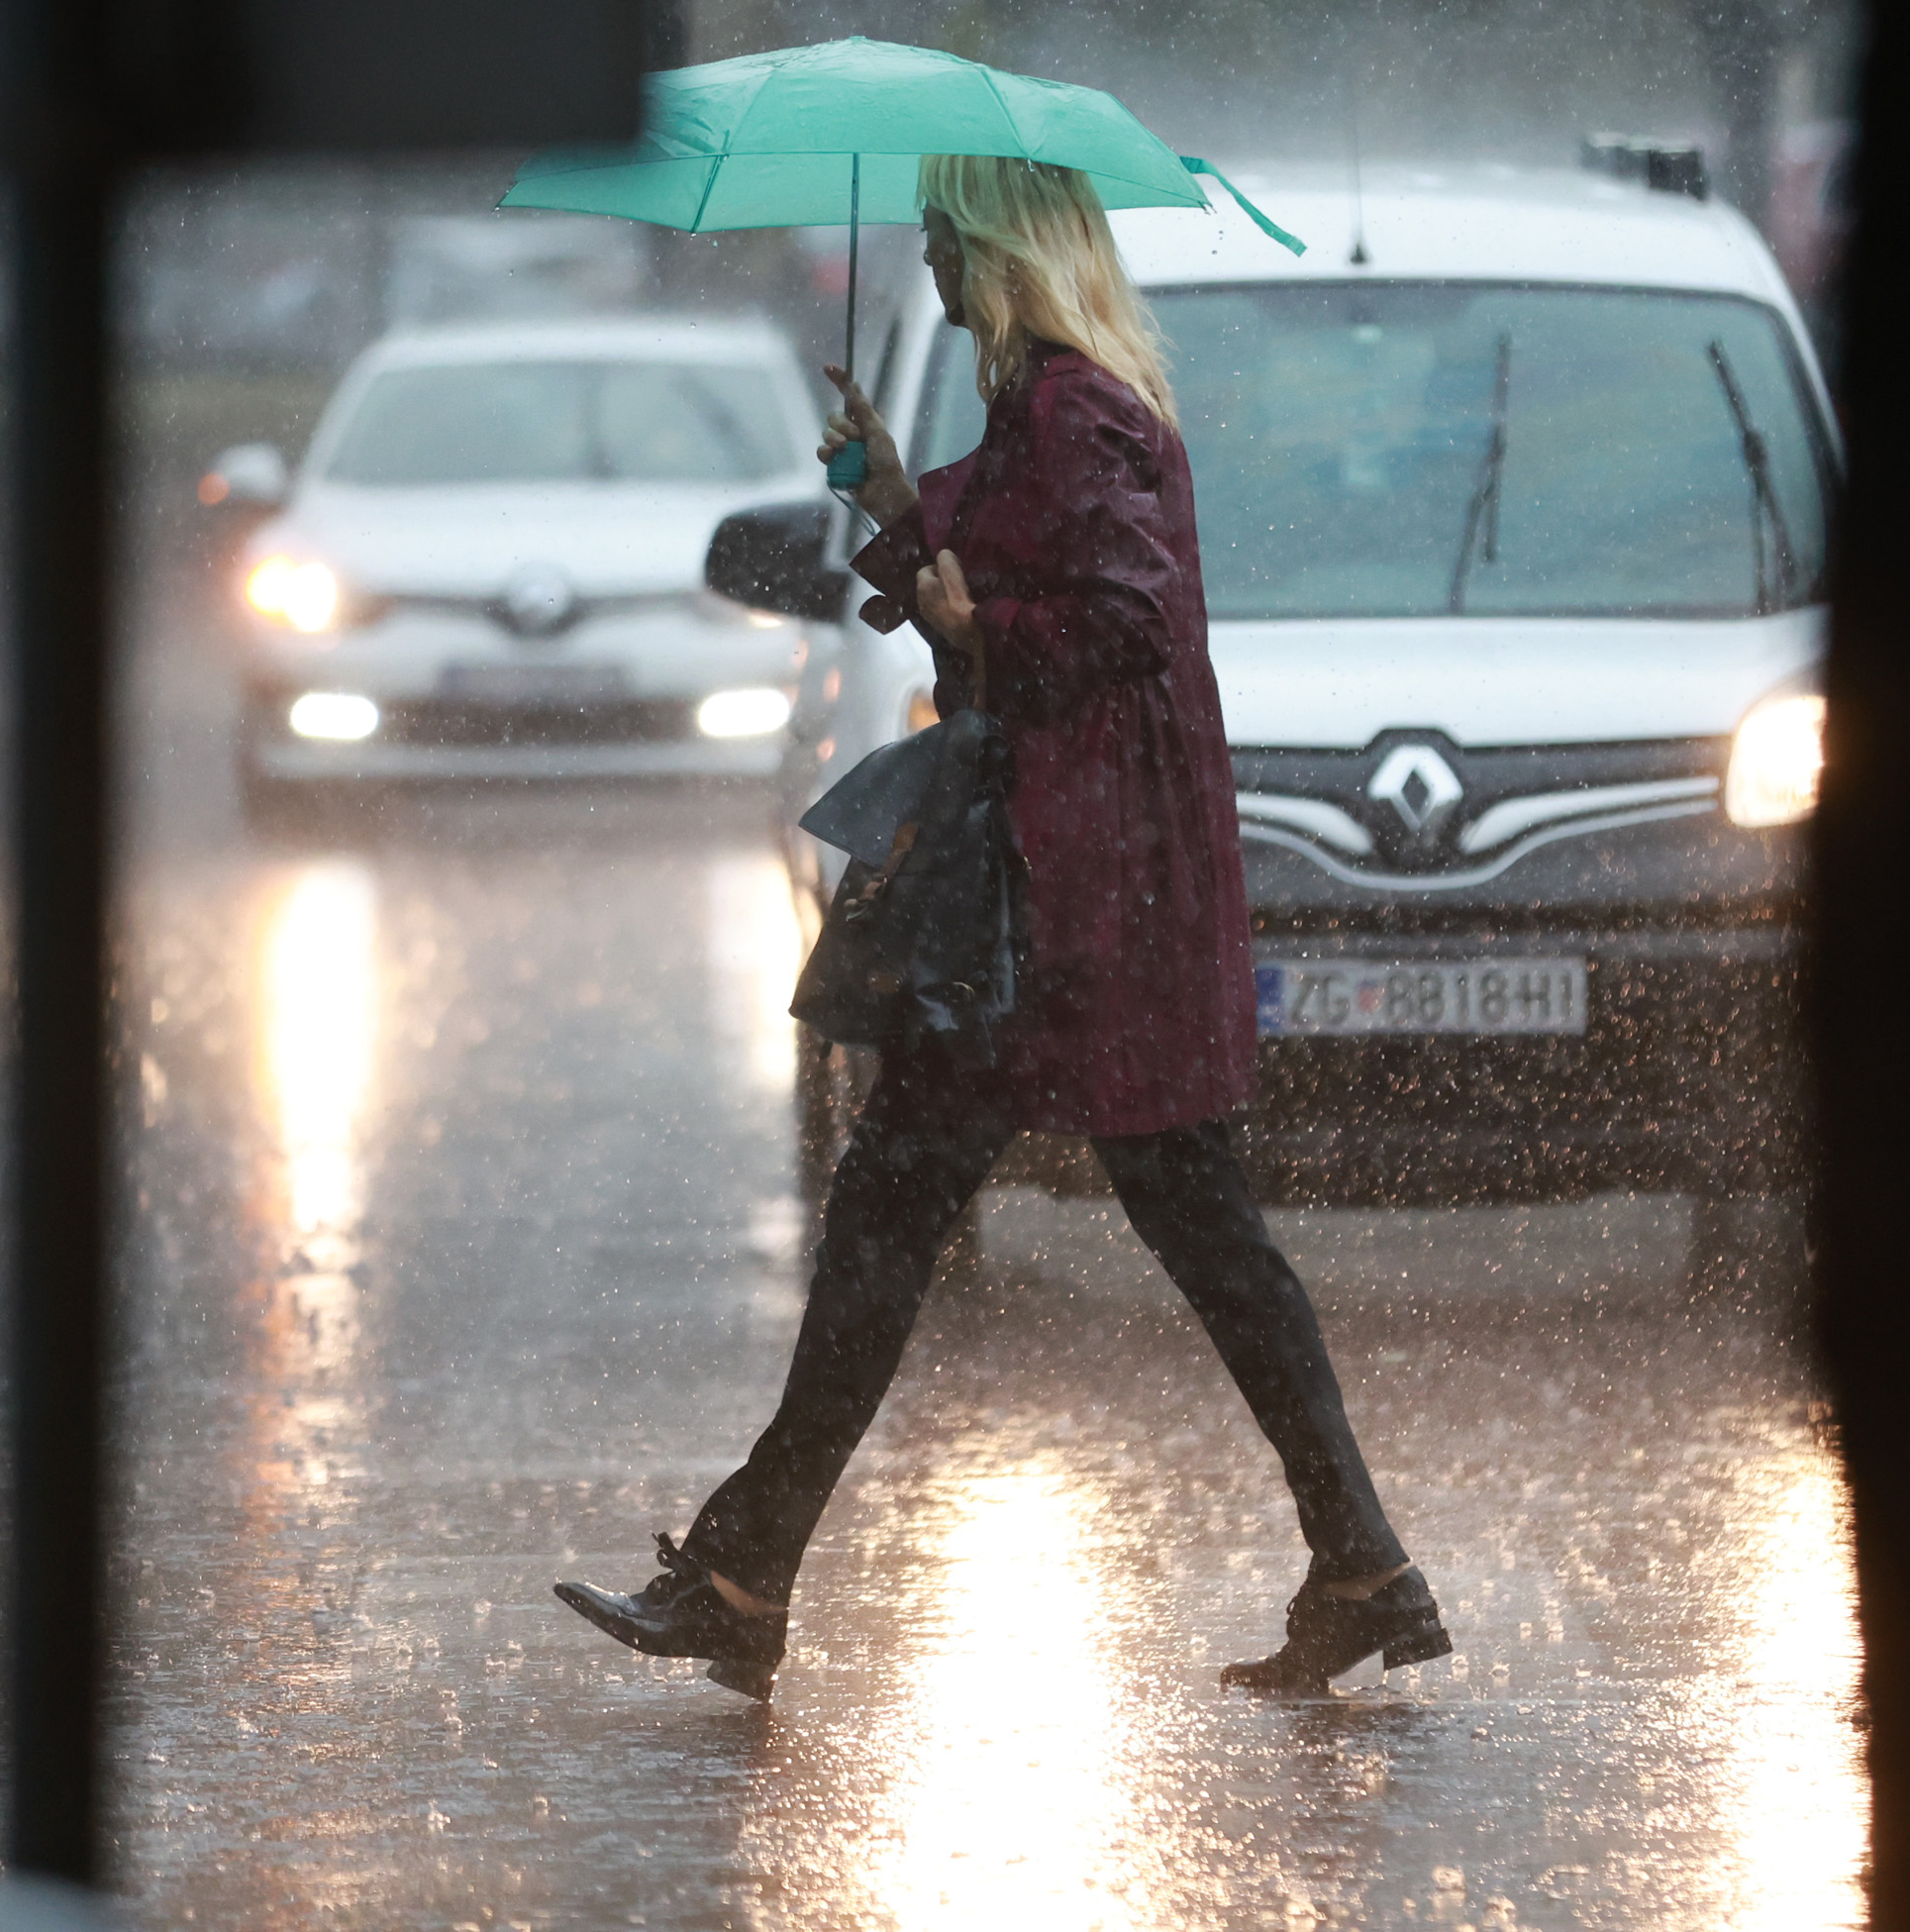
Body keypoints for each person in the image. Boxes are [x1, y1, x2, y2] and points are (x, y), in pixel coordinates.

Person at [555, 153, 1450, 1701]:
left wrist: (978, 623)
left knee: (933, 1214)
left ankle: (744, 1575)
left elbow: (1110, 620)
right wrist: (897, 503)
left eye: (944, 243)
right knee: (1152, 1229)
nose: (932, 266)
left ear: (1003, 253)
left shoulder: (1076, 408)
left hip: (1074, 897)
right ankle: (1357, 1562)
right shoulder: (1051, 406)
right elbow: (1000, 584)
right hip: (1084, 883)